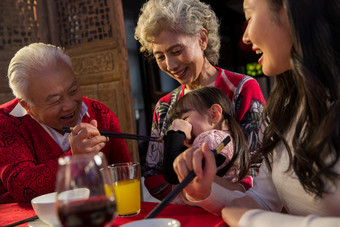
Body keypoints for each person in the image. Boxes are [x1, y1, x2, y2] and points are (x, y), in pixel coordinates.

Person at [173, 0, 340, 226]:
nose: (245, 37)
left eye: (249, 17)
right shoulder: (282, 109)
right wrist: (204, 191)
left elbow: (252, 213)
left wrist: (252, 220)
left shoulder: (243, 88)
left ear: (289, 10)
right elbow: (262, 198)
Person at [134, 0, 265, 200]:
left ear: (202, 39)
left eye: (177, 51)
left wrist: (199, 189)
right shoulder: (165, 106)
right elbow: (153, 178)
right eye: (160, 56)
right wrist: (191, 197)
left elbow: (257, 169)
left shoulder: (242, 89)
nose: (170, 65)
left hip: (238, 208)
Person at [0, 43, 131, 203]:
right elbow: (22, 187)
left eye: (73, 91)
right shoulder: (6, 122)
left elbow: (125, 176)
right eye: (55, 100)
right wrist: (75, 158)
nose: (70, 105)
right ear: (26, 105)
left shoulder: (100, 114)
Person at [163, 87, 249, 189]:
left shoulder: (211, 139)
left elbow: (174, 174)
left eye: (185, 119)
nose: (182, 126)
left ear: (214, 114)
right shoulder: (228, 138)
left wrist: (177, 133)